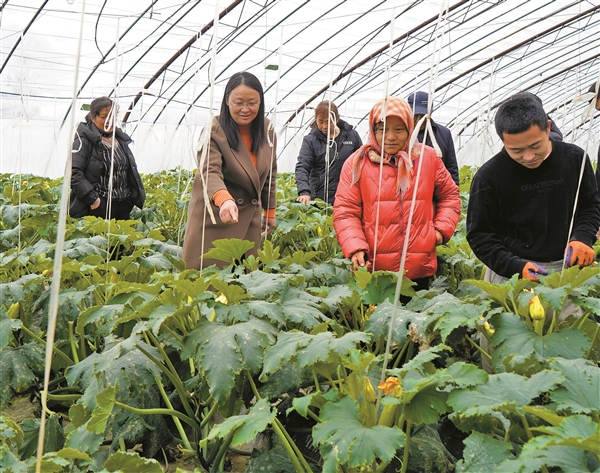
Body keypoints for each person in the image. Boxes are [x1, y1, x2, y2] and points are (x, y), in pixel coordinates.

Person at [466, 92, 600, 284]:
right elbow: (480, 235)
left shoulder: (575, 159)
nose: (529, 157)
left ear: (547, 128)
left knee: (567, 315)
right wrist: (515, 266)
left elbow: (590, 206)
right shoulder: (488, 177)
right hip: (510, 274)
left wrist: (582, 238)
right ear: (503, 141)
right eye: (517, 150)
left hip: (566, 268)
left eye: (535, 145)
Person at [333, 96, 461, 289]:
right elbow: (345, 212)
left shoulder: (428, 158)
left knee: (417, 316)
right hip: (374, 268)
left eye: (399, 129)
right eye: (382, 129)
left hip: (418, 267)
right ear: (373, 129)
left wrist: (439, 232)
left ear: (410, 129)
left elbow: (450, 196)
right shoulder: (357, 163)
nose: (390, 136)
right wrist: (355, 247)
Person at [183, 71, 277, 269]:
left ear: (260, 103)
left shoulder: (267, 131)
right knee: (210, 285)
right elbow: (209, 171)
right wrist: (224, 200)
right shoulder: (214, 129)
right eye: (238, 102)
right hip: (217, 220)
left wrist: (270, 211)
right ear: (227, 101)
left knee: (243, 286)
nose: (245, 109)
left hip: (250, 222)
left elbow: (270, 174)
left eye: (252, 103)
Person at [70, 96, 145, 219]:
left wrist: (132, 196)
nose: (109, 120)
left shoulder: (120, 138)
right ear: (93, 118)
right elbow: (74, 173)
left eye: (112, 116)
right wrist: (93, 199)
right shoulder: (84, 139)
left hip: (123, 205)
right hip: (99, 207)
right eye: (104, 117)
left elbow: (129, 169)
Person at [295, 101, 362, 205]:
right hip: (319, 199)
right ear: (315, 120)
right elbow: (302, 166)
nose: (324, 126)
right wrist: (304, 191)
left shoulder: (351, 136)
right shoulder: (311, 140)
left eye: (328, 122)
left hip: (347, 196)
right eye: (320, 121)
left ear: (337, 119)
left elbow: (362, 162)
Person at [407, 91, 459, 185]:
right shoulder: (402, 134)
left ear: (430, 112)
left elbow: (451, 169)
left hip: (437, 194)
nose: (419, 120)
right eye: (415, 115)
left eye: (423, 115)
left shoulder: (444, 134)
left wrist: (454, 194)